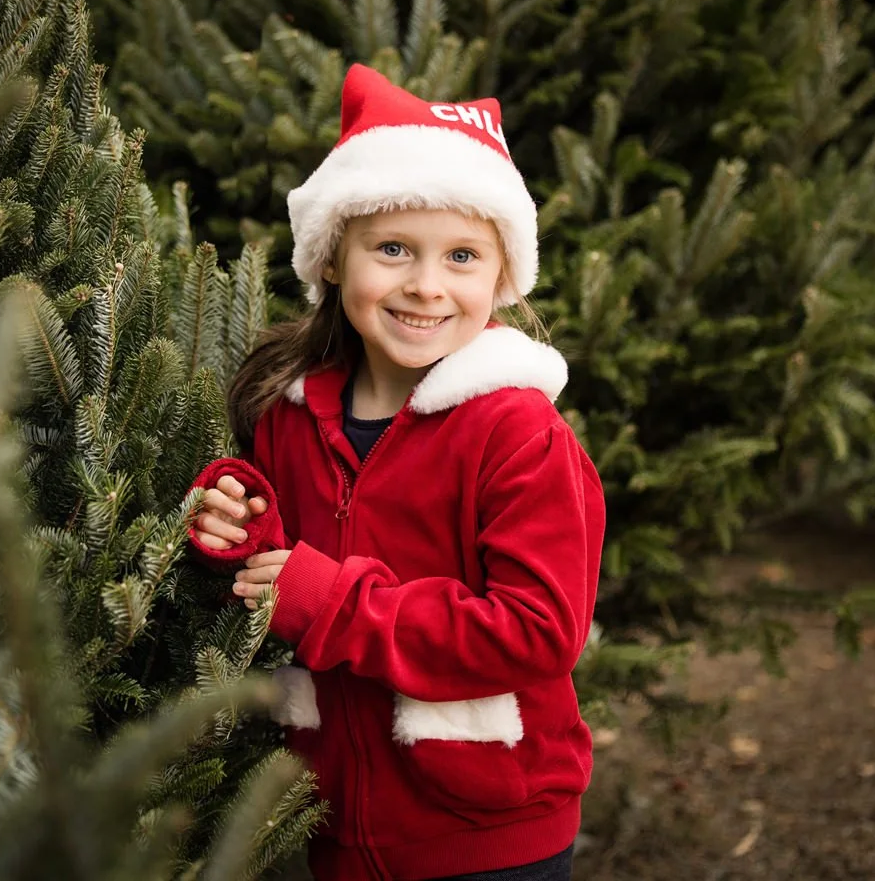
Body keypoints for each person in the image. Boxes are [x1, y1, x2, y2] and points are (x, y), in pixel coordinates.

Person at [185, 64, 605, 881]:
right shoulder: (290, 416)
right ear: (335, 261)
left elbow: (539, 630)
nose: (425, 284)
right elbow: (279, 575)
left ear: (502, 279)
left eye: (461, 256)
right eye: (392, 249)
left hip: (487, 837)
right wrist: (239, 536)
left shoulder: (517, 432)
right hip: (336, 828)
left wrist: (330, 603)